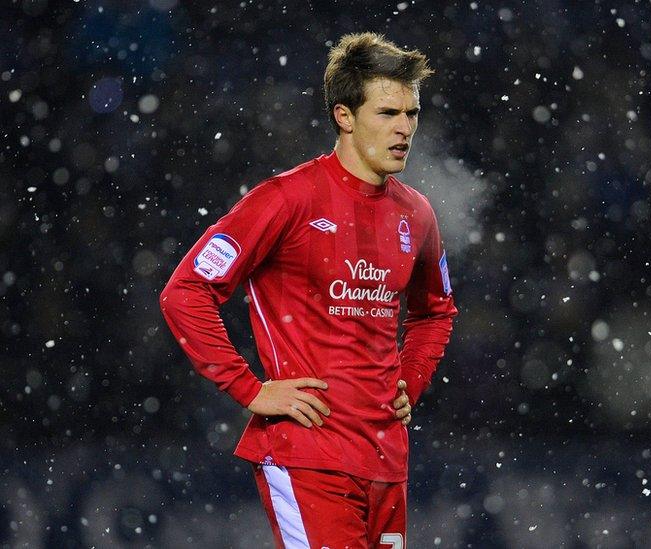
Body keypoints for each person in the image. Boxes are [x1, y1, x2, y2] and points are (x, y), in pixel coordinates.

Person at [159, 32, 457, 548]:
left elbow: (435, 312)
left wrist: (411, 378)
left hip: (387, 458)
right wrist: (248, 388)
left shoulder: (418, 214)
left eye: (411, 114)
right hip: (309, 456)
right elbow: (185, 292)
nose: (404, 128)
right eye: (388, 113)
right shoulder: (284, 200)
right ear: (344, 116)